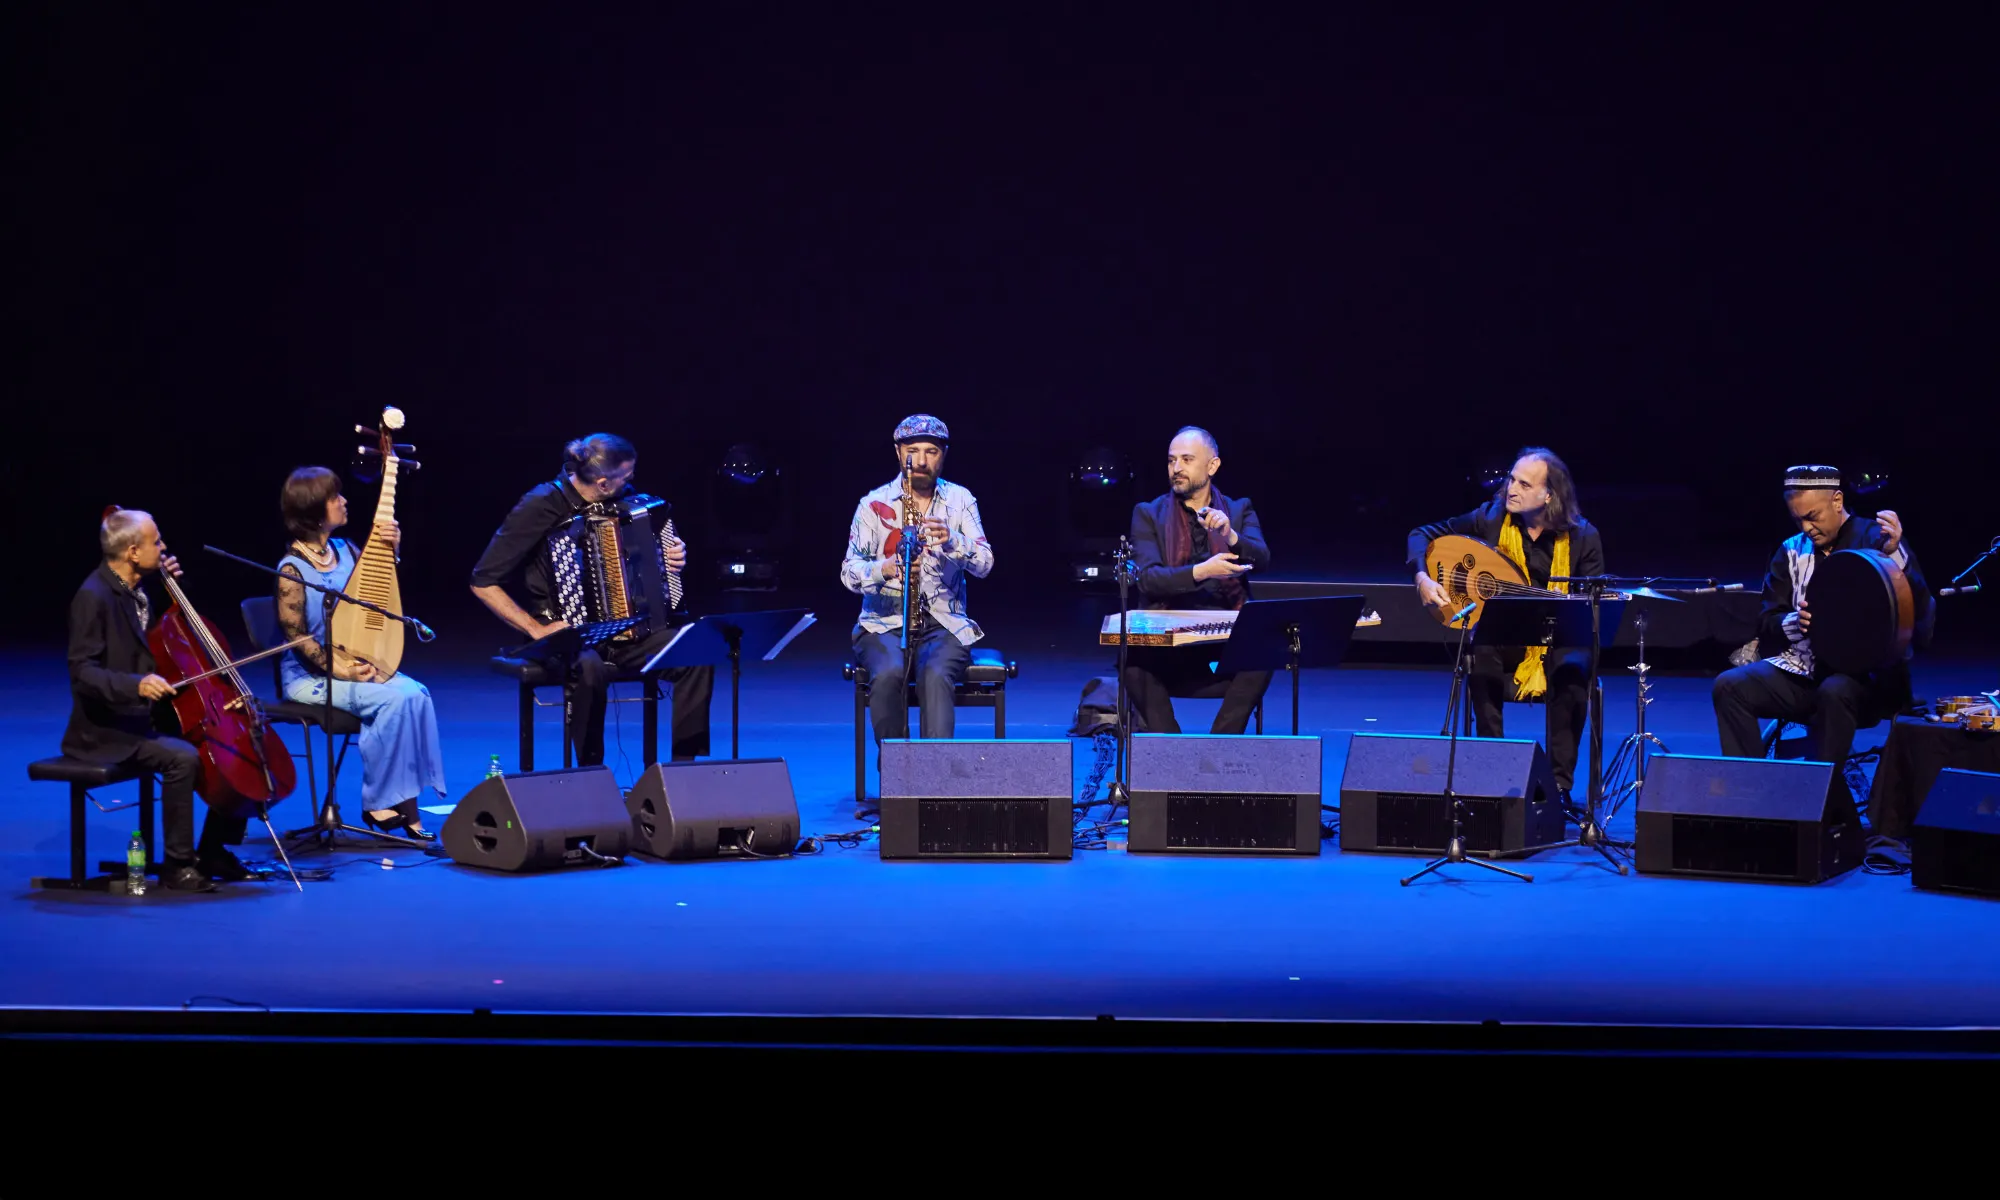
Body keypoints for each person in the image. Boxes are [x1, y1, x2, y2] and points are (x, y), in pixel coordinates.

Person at [470, 434, 713, 764]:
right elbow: (483, 581)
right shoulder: (540, 505)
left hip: (625, 633)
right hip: (562, 636)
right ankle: (591, 773)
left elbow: (648, 542)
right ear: (602, 483)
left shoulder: (620, 499)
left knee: (695, 653)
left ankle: (684, 770)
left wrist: (671, 553)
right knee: (589, 666)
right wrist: (534, 628)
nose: (631, 482)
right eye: (626, 477)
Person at [1408, 447, 1604, 800]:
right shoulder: (1491, 518)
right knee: (1481, 651)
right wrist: (1422, 577)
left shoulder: (1583, 537)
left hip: (1557, 641)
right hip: (1509, 640)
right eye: (1512, 479)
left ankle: (1559, 788)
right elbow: (1421, 533)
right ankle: (1493, 772)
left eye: (1524, 484)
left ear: (1549, 495)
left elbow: (1589, 613)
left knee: (1573, 668)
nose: (1511, 488)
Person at [64, 508, 245, 889]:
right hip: (108, 729)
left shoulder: (136, 589)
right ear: (132, 552)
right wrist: (136, 684)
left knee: (234, 741)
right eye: (156, 541)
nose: (163, 548)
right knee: (182, 757)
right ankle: (177, 866)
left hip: (145, 714)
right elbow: (82, 672)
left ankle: (212, 848)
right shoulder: (93, 596)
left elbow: (163, 641)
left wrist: (175, 589)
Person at [1711, 465, 1933, 768]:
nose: (1805, 528)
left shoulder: (1878, 540)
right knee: (1730, 686)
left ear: (1837, 502)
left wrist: (1895, 558)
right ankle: (1751, 792)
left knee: (1834, 692)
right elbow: (1767, 620)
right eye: (1797, 519)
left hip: (1866, 682)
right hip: (1804, 674)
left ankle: (1822, 803)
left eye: (1812, 517)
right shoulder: (1790, 552)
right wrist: (1793, 623)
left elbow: (1920, 617)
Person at [276, 467, 449, 839]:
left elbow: (379, 590)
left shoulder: (347, 550)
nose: (344, 501)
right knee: (390, 702)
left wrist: (393, 549)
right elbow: (297, 639)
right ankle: (378, 803)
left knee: (416, 694)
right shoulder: (292, 569)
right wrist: (343, 671)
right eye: (334, 497)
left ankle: (408, 806)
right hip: (310, 678)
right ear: (314, 510)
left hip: (355, 662)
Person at [841, 413, 994, 755]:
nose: (922, 461)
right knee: (889, 674)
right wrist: (886, 568)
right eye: (913, 450)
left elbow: (985, 564)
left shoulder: (961, 501)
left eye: (931, 451)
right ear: (898, 452)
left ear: (944, 454)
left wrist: (954, 540)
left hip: (944, 624)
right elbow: (848, 573)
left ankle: (934, 782)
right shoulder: (871, 504)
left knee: (936, 675)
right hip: (883, 624)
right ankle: (897, 778)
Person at [1121, 426, 1273, 734]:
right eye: (1171, 460)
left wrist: (1230, 536)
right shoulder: (1148, 514)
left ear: (1212, 466)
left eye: (1187, 459)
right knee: (1131, 662)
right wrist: (1203, 570)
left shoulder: (1239, 509)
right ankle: (1172, 752)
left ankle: (1218, 749)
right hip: (1170, 654)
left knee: (1262, 655)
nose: (1176, 468)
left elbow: (1262, 559)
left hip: (1220, 658)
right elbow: (1148, 580)